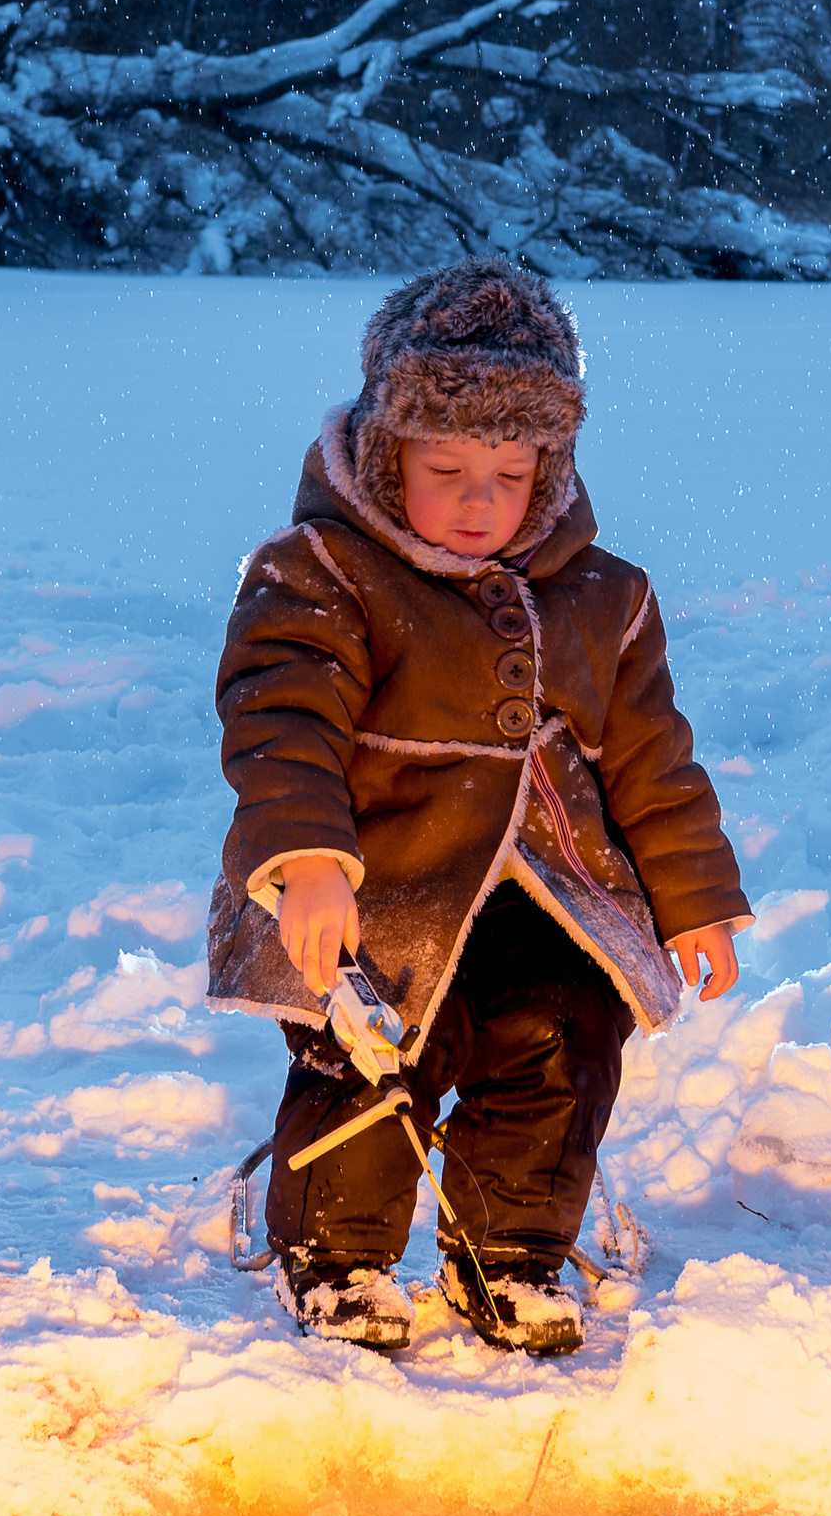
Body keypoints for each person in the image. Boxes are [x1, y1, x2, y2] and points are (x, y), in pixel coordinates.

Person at [206, 259, 749, 1357]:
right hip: (376, 886)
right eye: (443, 466)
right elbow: (283, 720)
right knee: (378, 1054)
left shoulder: (606, 596)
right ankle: (339, 1260)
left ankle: (511, 1253)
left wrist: (693, 898)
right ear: (381, 451)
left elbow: (652, 759)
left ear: (548, 472)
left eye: (507, 473)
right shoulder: (321, 572)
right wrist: (307, 859)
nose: (474, 500)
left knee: (561, 1032)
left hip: (547, 890)